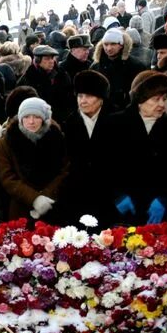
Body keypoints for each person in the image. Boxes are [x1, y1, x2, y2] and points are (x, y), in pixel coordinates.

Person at [107, 71, 167, 226]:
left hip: (157, 212)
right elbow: (104, 164)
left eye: (164, 99)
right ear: (140, 100)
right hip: (122, 210)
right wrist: (117, 195)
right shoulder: (115, 123)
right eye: (155, 99)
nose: (161, 104)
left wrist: (164, 198)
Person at [0, 97, 70, 223]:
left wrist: (46, 196)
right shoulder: (5, 143)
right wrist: (34, 198)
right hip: (21, 209)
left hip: (52, 206)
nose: (31, 121)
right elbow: (8, 178)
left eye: (36, 116)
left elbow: (65, 170)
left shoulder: (57, 138)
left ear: (44, 118)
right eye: (26, 117)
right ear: (20, 118)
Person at [61, 70, 113, 225]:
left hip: (108, 196)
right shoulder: (68, 123)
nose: (83, 101)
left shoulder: (116, 121)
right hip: (76, 196)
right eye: (80, 96)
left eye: (88, 96)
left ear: (101, 99)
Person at [91, 28, 146, 114]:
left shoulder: (136, 66)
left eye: (113, 44)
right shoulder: (95, 67)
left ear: (121, 45)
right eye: (106, 44)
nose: (109, 48)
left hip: (128, 113)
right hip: (103, 114)